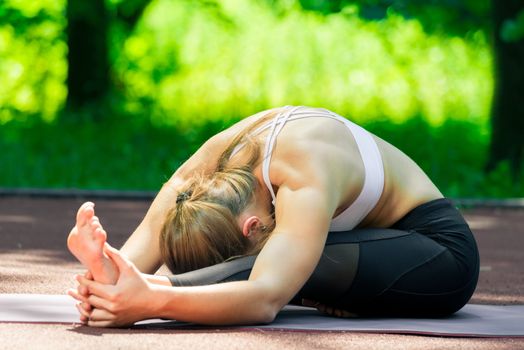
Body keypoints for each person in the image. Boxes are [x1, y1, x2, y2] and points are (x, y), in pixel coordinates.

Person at [67, 105, 479, 327]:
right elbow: (171, 202)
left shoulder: (303, 175)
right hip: (370, 250)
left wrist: (152, 298)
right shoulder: (224, 160)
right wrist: (113, 267)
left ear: (252, 227)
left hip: (441, 256)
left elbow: (264, 297)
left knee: (279, 270)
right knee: (295, 262)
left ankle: (148, 288)